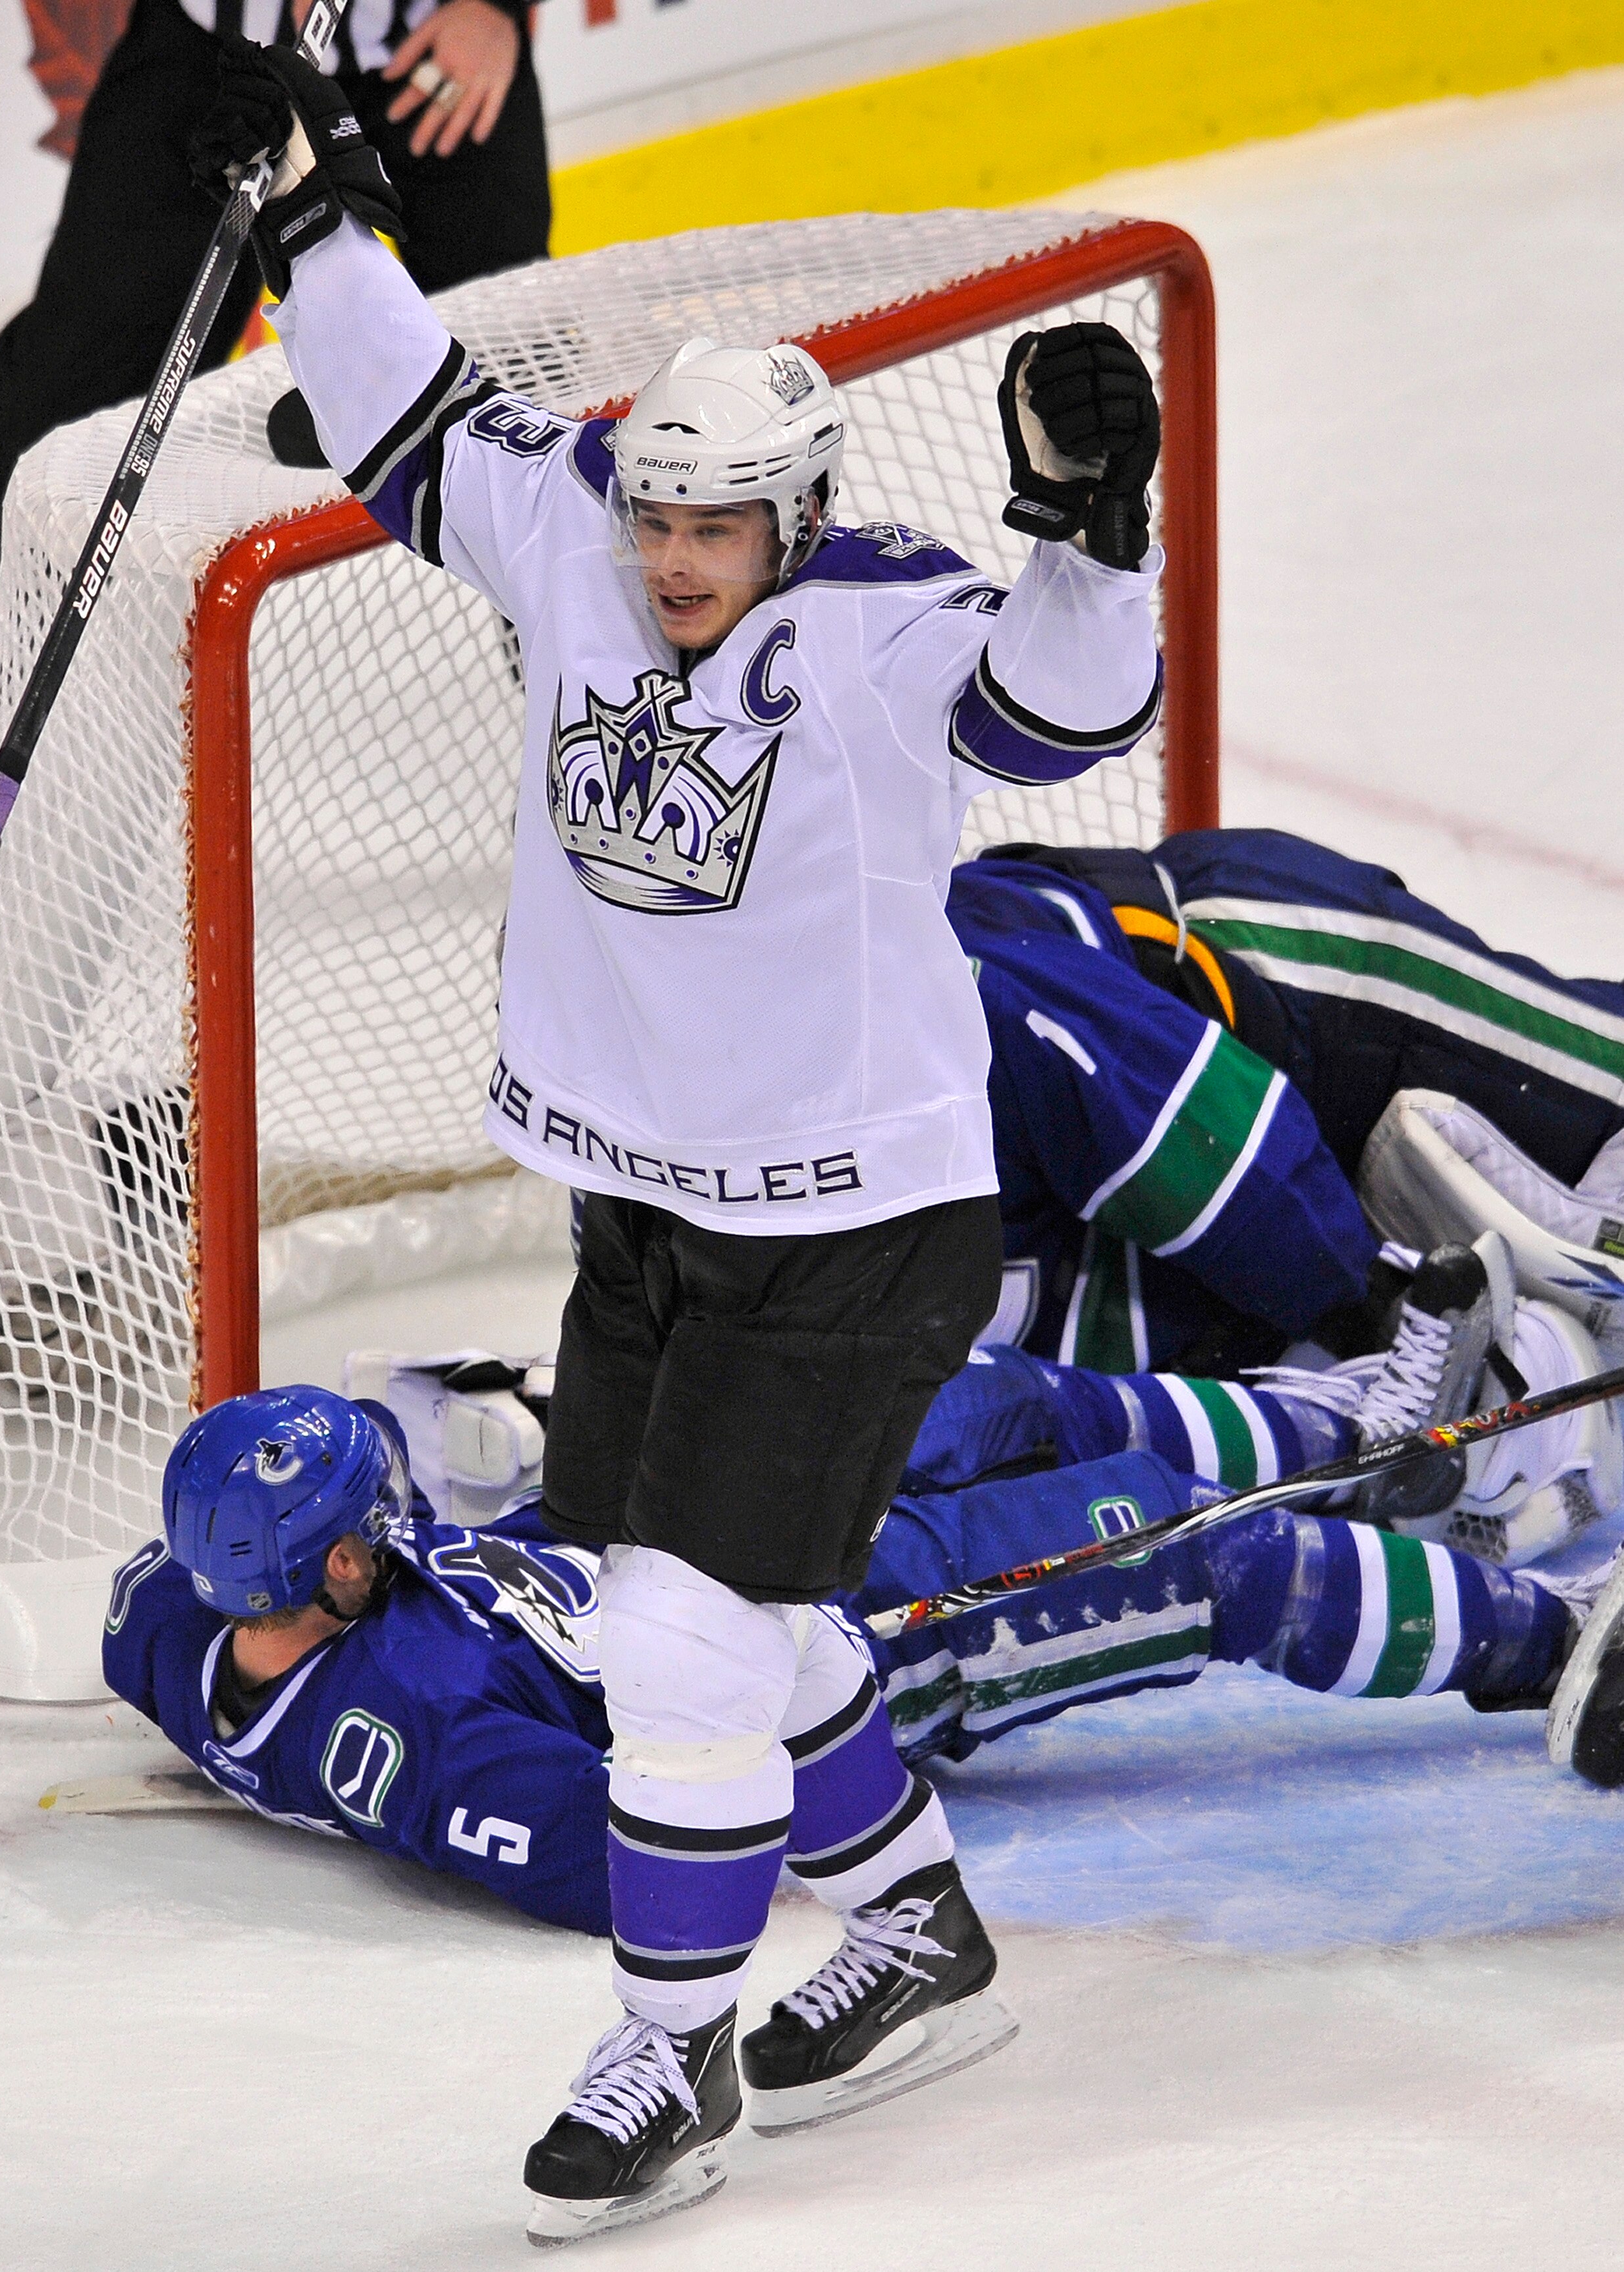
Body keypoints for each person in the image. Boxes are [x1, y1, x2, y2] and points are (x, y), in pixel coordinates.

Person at [188, 34, 1168, 2242]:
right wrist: (320, 213)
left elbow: (1062, 700)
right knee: (664, 1623)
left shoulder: (885, 624)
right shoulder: (576, 533)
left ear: (797, 516)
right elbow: (414, 417)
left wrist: (1095, 528)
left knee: (696, 1648)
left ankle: (673, 2047)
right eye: (653, 511)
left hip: (856, 1228)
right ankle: (912, 1925)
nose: (671, 555)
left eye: (715, 523)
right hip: (641, 1204)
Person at [104, 1275, 1615, 2015]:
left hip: (705, 1525)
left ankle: (1375, 1435)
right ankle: (1554, 1652)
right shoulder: (436, 1731)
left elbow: (153, 1608)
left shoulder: (176, 1616)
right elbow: (658, 1862)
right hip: (847, 1637)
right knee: (1202, 1553)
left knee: (987, 1392)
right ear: (348, 1568)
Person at [0, 0, 549, 785]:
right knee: (79, 353)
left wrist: (497, 9)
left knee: (514, 352)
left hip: (431, 48)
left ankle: (576, 652)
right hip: (219, 54)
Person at [949, 829, 1624, 1387]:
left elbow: (1199, 1130)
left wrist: (1370, 1315)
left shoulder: (919, 1008)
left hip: (1290, 1005)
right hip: (1229, 1286)